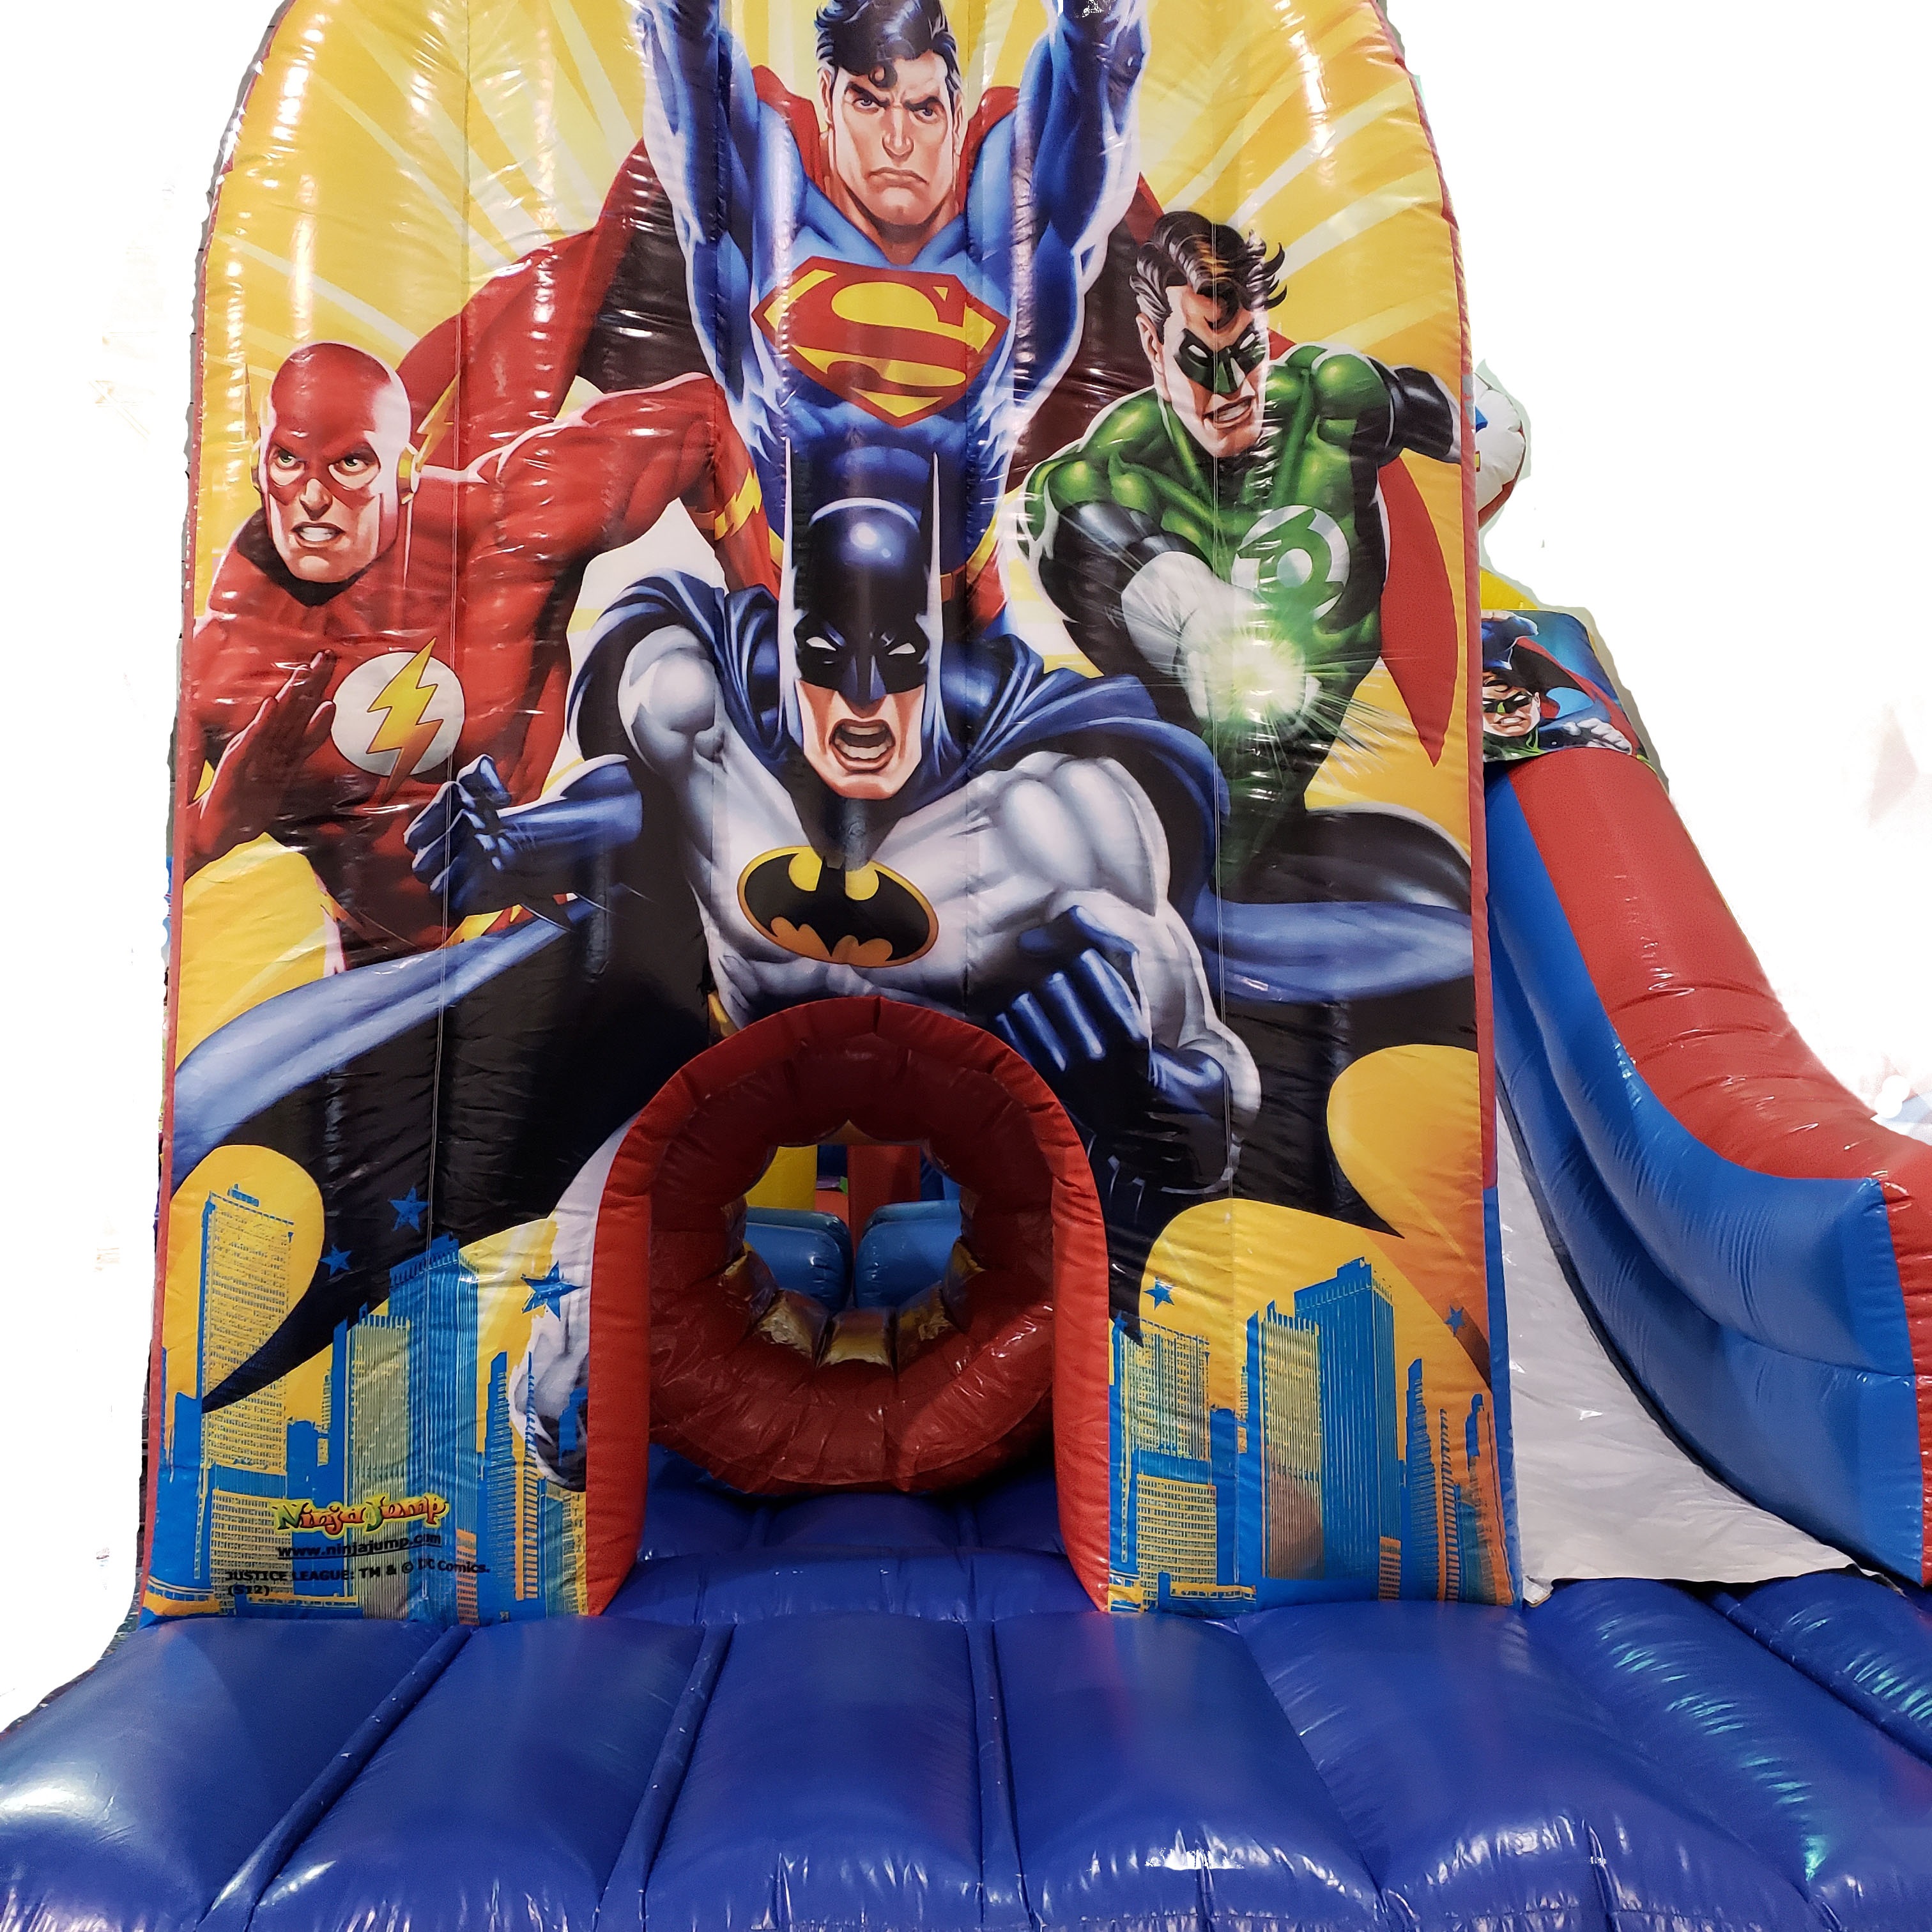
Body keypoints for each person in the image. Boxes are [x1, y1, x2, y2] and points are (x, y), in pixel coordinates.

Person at [404, 486, 1259, 1314]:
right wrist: (524, 844)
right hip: (726, 1086)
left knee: (1086, 1358)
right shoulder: (698, 715)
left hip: (980, 1136)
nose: (863, 697)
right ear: (787, 646)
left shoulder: (1048, 817)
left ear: (936, 652)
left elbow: (1214, 1085)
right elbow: (641, 813)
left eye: (898, 659)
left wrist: (1147, 1094)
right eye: (827, 656)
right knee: (565, 1361)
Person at [178, 344, 775, 957]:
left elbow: (700, 421)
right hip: (382, 962)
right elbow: (142, 873)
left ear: (402, 471)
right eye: (287, 460)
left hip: (552, 922)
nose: (311, 497)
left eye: (349, 464)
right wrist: (211, 830)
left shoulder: (512, 523)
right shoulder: (221, 659)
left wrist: (777, 653)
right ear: (258, 465)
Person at [633, 0, 1147, 632]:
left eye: (923, 108)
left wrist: (1092, 23)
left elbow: (1090, 86)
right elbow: (692, 68)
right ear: (828, 96)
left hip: (955, 630)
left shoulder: (1001, 249)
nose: (898, 142)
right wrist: (682, 21)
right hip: (790, 625)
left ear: (954, 114)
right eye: (869, 102)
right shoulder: (771, 221)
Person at [1018, 210, 1466, 886]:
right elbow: (1076, 519)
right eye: (1200, 360)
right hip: (1158, 841)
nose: (1231, 388)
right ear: (1153, 344)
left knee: (1430, 886)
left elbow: (1447, 420)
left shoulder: (1329, 400)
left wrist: (1480, 431)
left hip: (1286, 832)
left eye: (1246, 350)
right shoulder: (1116, 466)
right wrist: (1197, 612)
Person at [1480, 615, 1639, 763]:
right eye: (1488, 706)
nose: (1507, 712)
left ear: (1537, 700)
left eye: (1520, 701)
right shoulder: (1477, 750)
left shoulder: (1573, 734)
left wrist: (1620, 755)